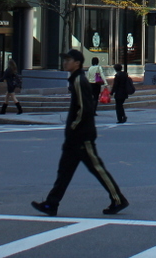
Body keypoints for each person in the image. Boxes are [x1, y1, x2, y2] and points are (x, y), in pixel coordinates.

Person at [31, 49, 128, 217]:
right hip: (74, 137)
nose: (65, 62)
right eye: (65, 59)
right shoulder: (76, 79)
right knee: (64, 172)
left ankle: (118, 199)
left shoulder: (79, 80)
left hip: (82, 136)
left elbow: (85, 108)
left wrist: (74, 127)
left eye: (68, 60)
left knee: (97, 168)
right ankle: (51, 204)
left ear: (77, 63)